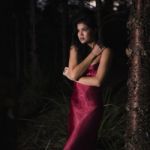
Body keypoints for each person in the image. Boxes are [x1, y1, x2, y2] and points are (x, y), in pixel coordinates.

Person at [62, 11, 113, 150]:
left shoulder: (106, 51)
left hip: (92, 106)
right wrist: (92, 54)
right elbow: (74, 74)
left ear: (94, 30)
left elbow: (97, 81)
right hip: (76, 104)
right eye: (78, 30)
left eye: (84, 29)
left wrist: (72, 76)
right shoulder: (75, 48)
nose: (80, 34)